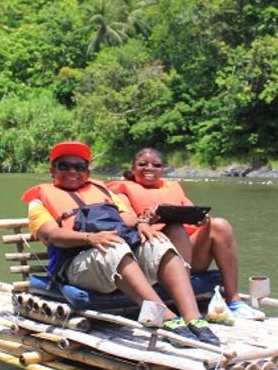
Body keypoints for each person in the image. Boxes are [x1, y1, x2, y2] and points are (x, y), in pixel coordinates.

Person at [22, 141, 221, 346]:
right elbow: (52, 234)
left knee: (158, 243)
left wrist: (143, 224)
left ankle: (193, 318)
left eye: (79, 167)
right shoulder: (38, 203)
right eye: (64, 166)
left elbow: (127, 218)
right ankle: (164, 317)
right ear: (52, 171)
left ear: (87, 172)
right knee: (113, 247)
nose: (73, 171)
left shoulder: (104, 192)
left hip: (115, 252)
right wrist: (90, 238)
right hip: (75, 266)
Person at [108, 147, 265, 322]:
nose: (149, 168)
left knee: (220, 225)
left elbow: (192, 212)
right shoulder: (121, 192)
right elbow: (125, 222)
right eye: (142, 164)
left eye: (156, 165)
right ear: (132, 169)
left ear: (162, 169)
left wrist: (202, 220)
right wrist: (146, 220)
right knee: (175, 229)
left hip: (187, 257)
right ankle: (185, 305)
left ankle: (234, 301)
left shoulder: (173, 187)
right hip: (152, 258)